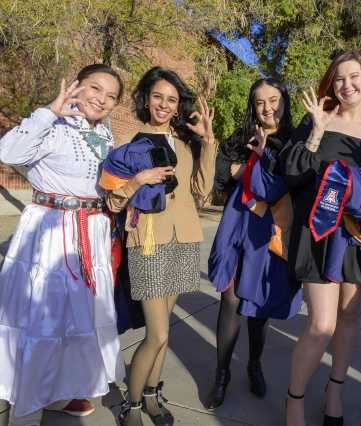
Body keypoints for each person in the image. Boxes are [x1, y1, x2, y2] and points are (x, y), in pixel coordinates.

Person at [281, 51, 361, 426]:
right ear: (331, 84)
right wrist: (317, 133)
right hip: (320, 233)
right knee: (322, 323)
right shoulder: (315, 120)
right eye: (338, 78)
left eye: (354, 77)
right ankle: (294, 401)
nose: (346, 85)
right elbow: (291, 172)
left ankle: (334, 391)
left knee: (349, 316)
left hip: (359, 237)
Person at [0, 64, 126, 426]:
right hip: (52, 232)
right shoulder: (53, 125)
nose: (101, 99)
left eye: (111, 96)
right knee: (43, 319)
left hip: (92, 233)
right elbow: (9, 152)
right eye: (94, 88)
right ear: (76, 87)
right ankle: (25, 408)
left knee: (76, 320)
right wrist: (49, 112)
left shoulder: (104, 134)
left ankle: (57, 393)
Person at [105, 67, 216, 426]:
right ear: (146, 98)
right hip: (148, 242)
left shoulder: (184, 143)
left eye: (171, 99)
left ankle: (152, 395)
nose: (164, 105)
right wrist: (138, 180)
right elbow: (112, 202)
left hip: (183, 240)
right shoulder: (125, 141)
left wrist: (209, 141)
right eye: (158, 97)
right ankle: (132, 406)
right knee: (158, 333)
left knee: (164, 328)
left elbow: (202, 189)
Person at [206, 78, 302, 410]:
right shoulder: (240, 137)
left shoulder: (295, 140)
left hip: (272, 231)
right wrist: (249, 166)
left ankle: (254, 364)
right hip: (238, 223)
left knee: (259, 304)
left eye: (273, 100)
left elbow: (295, 180)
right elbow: (219, 176)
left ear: (284, 101)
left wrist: (259, 166)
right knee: (229, 301)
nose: (267, 108)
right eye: (260, 102)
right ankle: (221, 374)